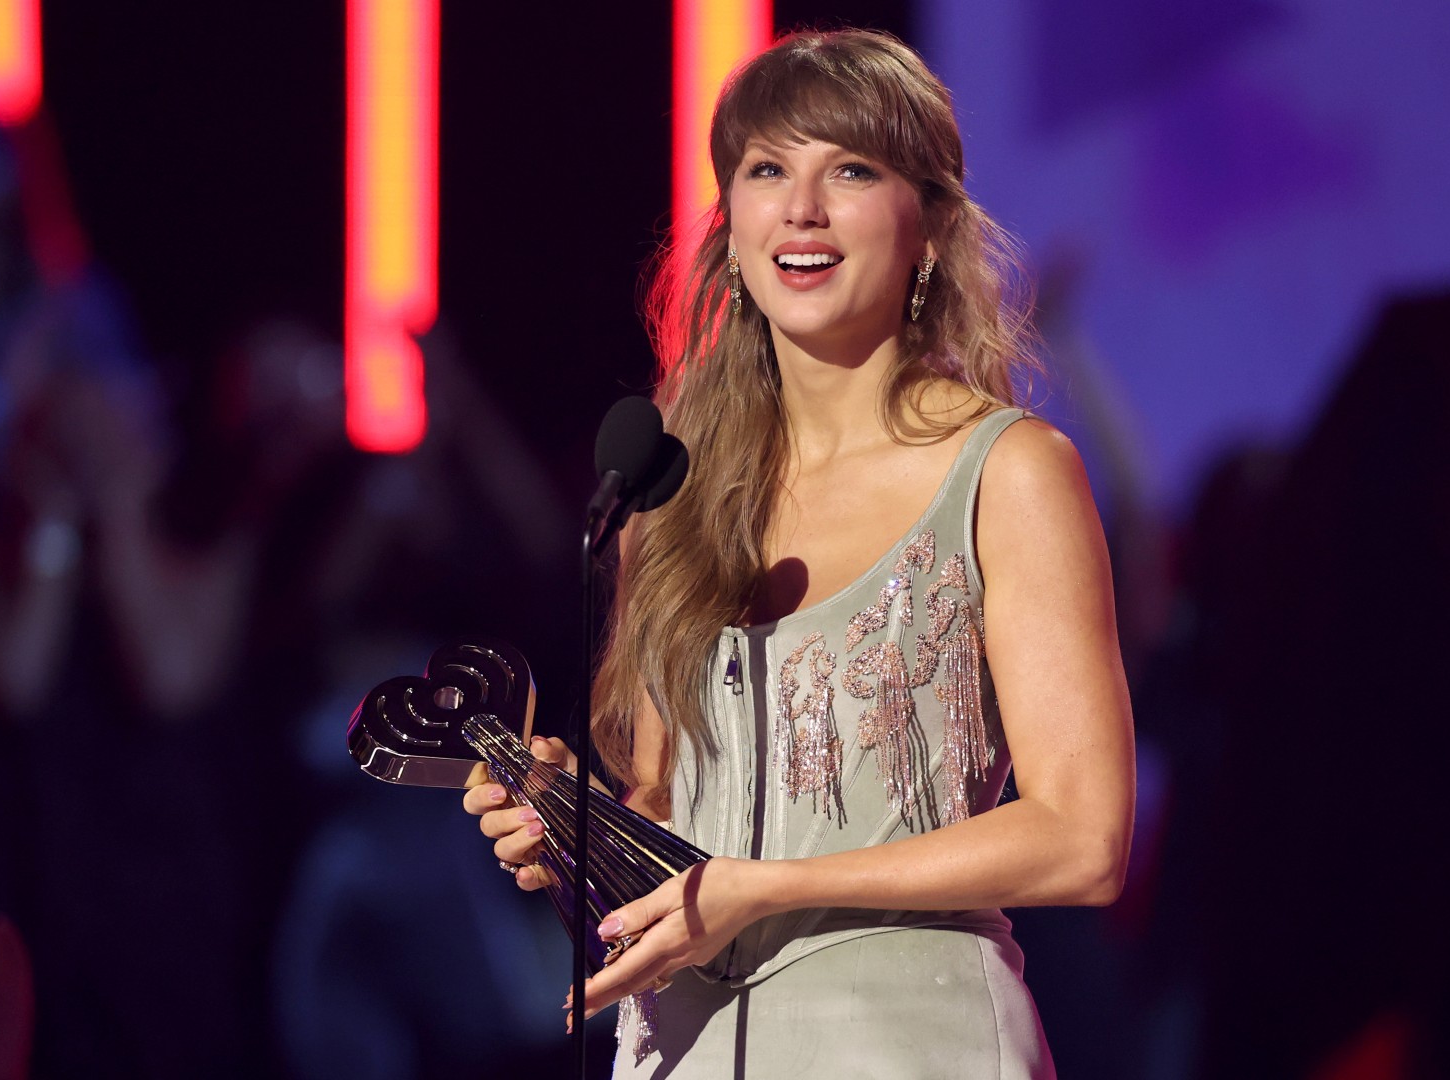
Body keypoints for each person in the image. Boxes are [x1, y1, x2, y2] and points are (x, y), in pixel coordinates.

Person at [466, 29, 1135, 1076]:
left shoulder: (1009, 472)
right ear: (730, 224)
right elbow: (669, 823)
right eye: (768, 169)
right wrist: (566, 820)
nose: (802, 208)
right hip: (684, 1049)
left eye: (851, 171)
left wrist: (764, 886)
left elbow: (1082, 840)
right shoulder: (669, 496)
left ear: (931, 227)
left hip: (909, 1042)